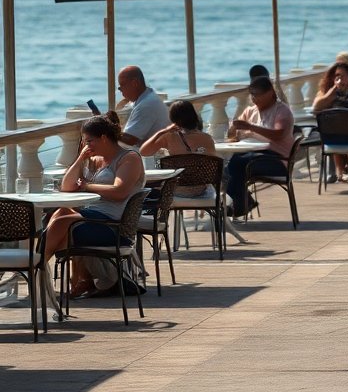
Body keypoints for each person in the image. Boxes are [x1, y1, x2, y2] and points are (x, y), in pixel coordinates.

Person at [44, 113, 147, 298]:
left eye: (89, 141)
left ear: (104, 138)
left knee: (62, 224)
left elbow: (119, 191)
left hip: (114, 226)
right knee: (61, 213)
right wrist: (80, 159)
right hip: (93, 217)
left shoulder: (129, 158)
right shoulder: (94, 160)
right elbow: (66, 187)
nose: (86, 145)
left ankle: (36, 268)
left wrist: (86, 186)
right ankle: (79, 280)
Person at [225, 76, 294, 219]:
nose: (254, 99)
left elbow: (278, 134)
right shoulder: (251, 111)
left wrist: (251, 127)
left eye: (257, 95)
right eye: (252, 95)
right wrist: (234, 128)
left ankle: (236, 204)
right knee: (231, 166)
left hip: (278, 159)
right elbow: (232, 133)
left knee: (237, 164)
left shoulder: (282, 111)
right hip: (255, 155)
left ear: (269, 93)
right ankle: (243, 202)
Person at [139, 101, 218, 191]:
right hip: (200, 189)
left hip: (174, 190)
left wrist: (162, 132)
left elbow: (144, 152)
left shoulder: (169, 137)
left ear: (173, 118)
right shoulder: (207, 139)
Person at [115, 65, 169, 146]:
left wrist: (109, 132)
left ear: (135, 83)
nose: (120, 90)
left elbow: (129, 140)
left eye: (121, 86)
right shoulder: (148, 97)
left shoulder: (146, 105)